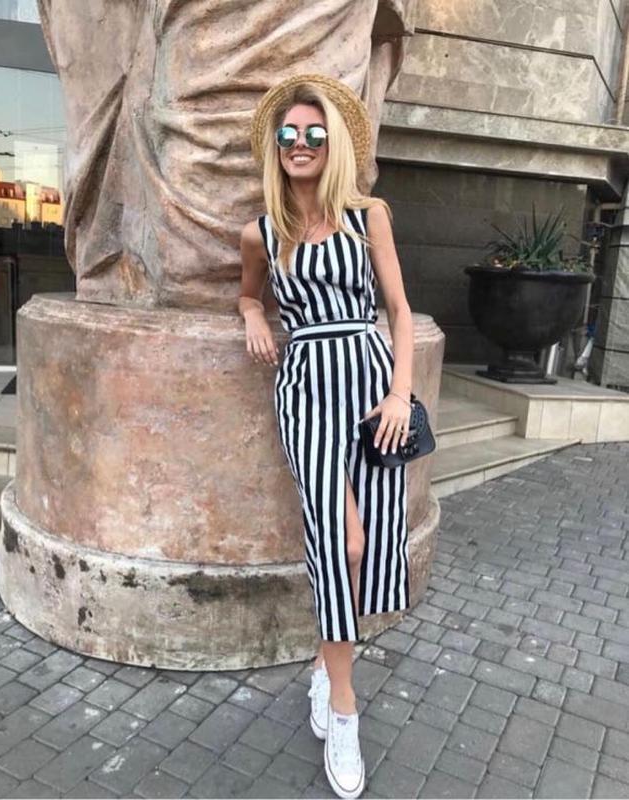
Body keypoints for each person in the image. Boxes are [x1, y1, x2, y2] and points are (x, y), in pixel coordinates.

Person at [238, 73, 415, 799]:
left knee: (369, 545)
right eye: (289, 135)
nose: (301, 143)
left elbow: (399, 311)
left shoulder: (368, 217)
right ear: (276, 148)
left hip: (372, 389)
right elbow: (247, 292)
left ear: (332, 142)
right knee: (341, 539)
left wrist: (400, 391)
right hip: (306, 389)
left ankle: (322, 664)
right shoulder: (261, 232)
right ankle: (343, 706)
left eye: (314, 133)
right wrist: (253, 314)